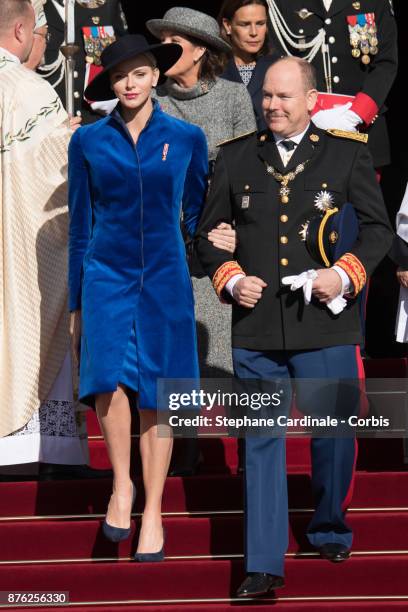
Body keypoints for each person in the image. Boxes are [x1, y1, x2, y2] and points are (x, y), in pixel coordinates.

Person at [196, 56, 393, 597]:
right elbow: (207, 236)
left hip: (325, 322)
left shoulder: (347, 155)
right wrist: (231, 279)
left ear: (312, 100)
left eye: (284, 97)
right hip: (257, 328)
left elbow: (376, 232)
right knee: (260, 441)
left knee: (333, 435)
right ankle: (262, 563)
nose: (272, 106)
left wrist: (344, 274)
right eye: (266, 97)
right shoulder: (235, 159)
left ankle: (329, 524)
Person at [68, 34, 208, 558]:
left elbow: (197, 214)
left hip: (166, 279)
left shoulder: (187, 138)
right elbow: (81, 227)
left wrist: (220, 247)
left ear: (156, 76)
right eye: (120, 75)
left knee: (160, 397)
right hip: (105, 275)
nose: (130, 82)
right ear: (111, 82)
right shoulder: (87, 140)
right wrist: (77, 302)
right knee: (110, 384)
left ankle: (154, 511)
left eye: (139, 72)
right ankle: (121, 485)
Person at [146, 7, 256, 476]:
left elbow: (249, 170)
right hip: (165, 242)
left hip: (219, 240)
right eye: (163, 40)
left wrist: (232, 229)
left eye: (176, 42)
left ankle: (232, 448)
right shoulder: (150, 100)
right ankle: (181, 442)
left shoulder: (234, 98)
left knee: (218, 345)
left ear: (201, 52)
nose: (165, 49)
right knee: (174, 343)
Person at [0, 0, 91, 479]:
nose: (43, 49)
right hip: (19, 252)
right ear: (20, 30)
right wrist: (75, 140)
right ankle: (37, 450)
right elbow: (57, 179)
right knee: (33, 322)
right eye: (42, 39)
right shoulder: (29, 90)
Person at [266, 0, 398, 169]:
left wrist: (356, 114)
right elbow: (278, 62)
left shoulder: (375, 3)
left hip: (363, 127)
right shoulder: (283, 4)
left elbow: (385, 64)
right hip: (304, 125)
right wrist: (312, 113)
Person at [39, 0, 128, 121]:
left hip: (94, 119)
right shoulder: (34, 7)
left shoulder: (105, 5)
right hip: (51, 119)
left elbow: (122, 55)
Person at [218, 0, 279, 129]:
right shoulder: (212, 70)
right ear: (228, 25)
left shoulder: (279, 68)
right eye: (245, 24)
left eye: (260, 23)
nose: (254, 32)